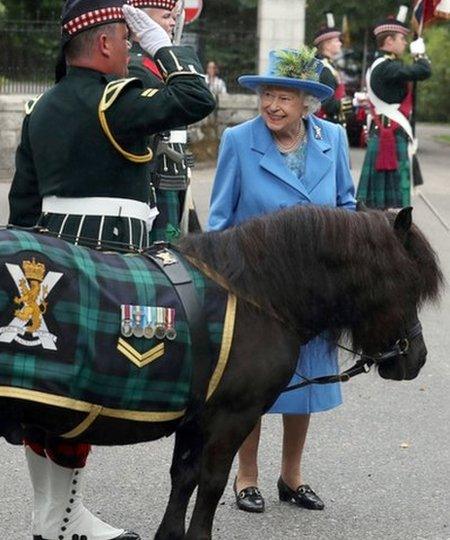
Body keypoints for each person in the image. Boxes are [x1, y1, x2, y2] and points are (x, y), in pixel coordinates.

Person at [7, 1, 215, 539]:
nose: (130, 48)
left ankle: (53, 515)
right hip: (107, 266)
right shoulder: (114, 100)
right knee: (84, 395)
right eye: (126, 39)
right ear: (103, 44)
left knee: (45, 395)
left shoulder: (40, 107)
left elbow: (23, 206)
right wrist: (163, 44)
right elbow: (195, 96)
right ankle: (64, 518)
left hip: (48, 263)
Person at [207, 47, 355, 513]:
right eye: (267, 95)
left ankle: (292, 476)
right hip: (258, 292)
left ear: (306, 104)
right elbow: (218, 221)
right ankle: (245, 476)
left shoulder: (332, 140)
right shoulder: (238, 141)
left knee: (304, 383)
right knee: (252, 387)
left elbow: (347, 208)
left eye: (283, 98)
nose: (272, 105)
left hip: (313, 292)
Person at [127, 0, 194, 242]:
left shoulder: (161, 62)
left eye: (174, 17)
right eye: (166, 16)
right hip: (154, 174)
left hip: (174, 170)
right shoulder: (134, 66)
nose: (173, 22)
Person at [356, 6, 432, 209]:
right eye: (402, 39)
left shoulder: (383, 65)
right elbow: (424, 71)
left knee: (382, 205)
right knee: (382, 206)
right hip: (389, 134)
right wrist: (420, 53)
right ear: (389, 41)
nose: (405, 43)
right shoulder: (386, 67)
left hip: (389, 132)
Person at [313, 13, 352, 125]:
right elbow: (327, 104)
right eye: (336, 41)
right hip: (326, 122)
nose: (340, 44)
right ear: (326, 45)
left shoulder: (329, 65)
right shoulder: (324, 69)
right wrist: (352, 102)